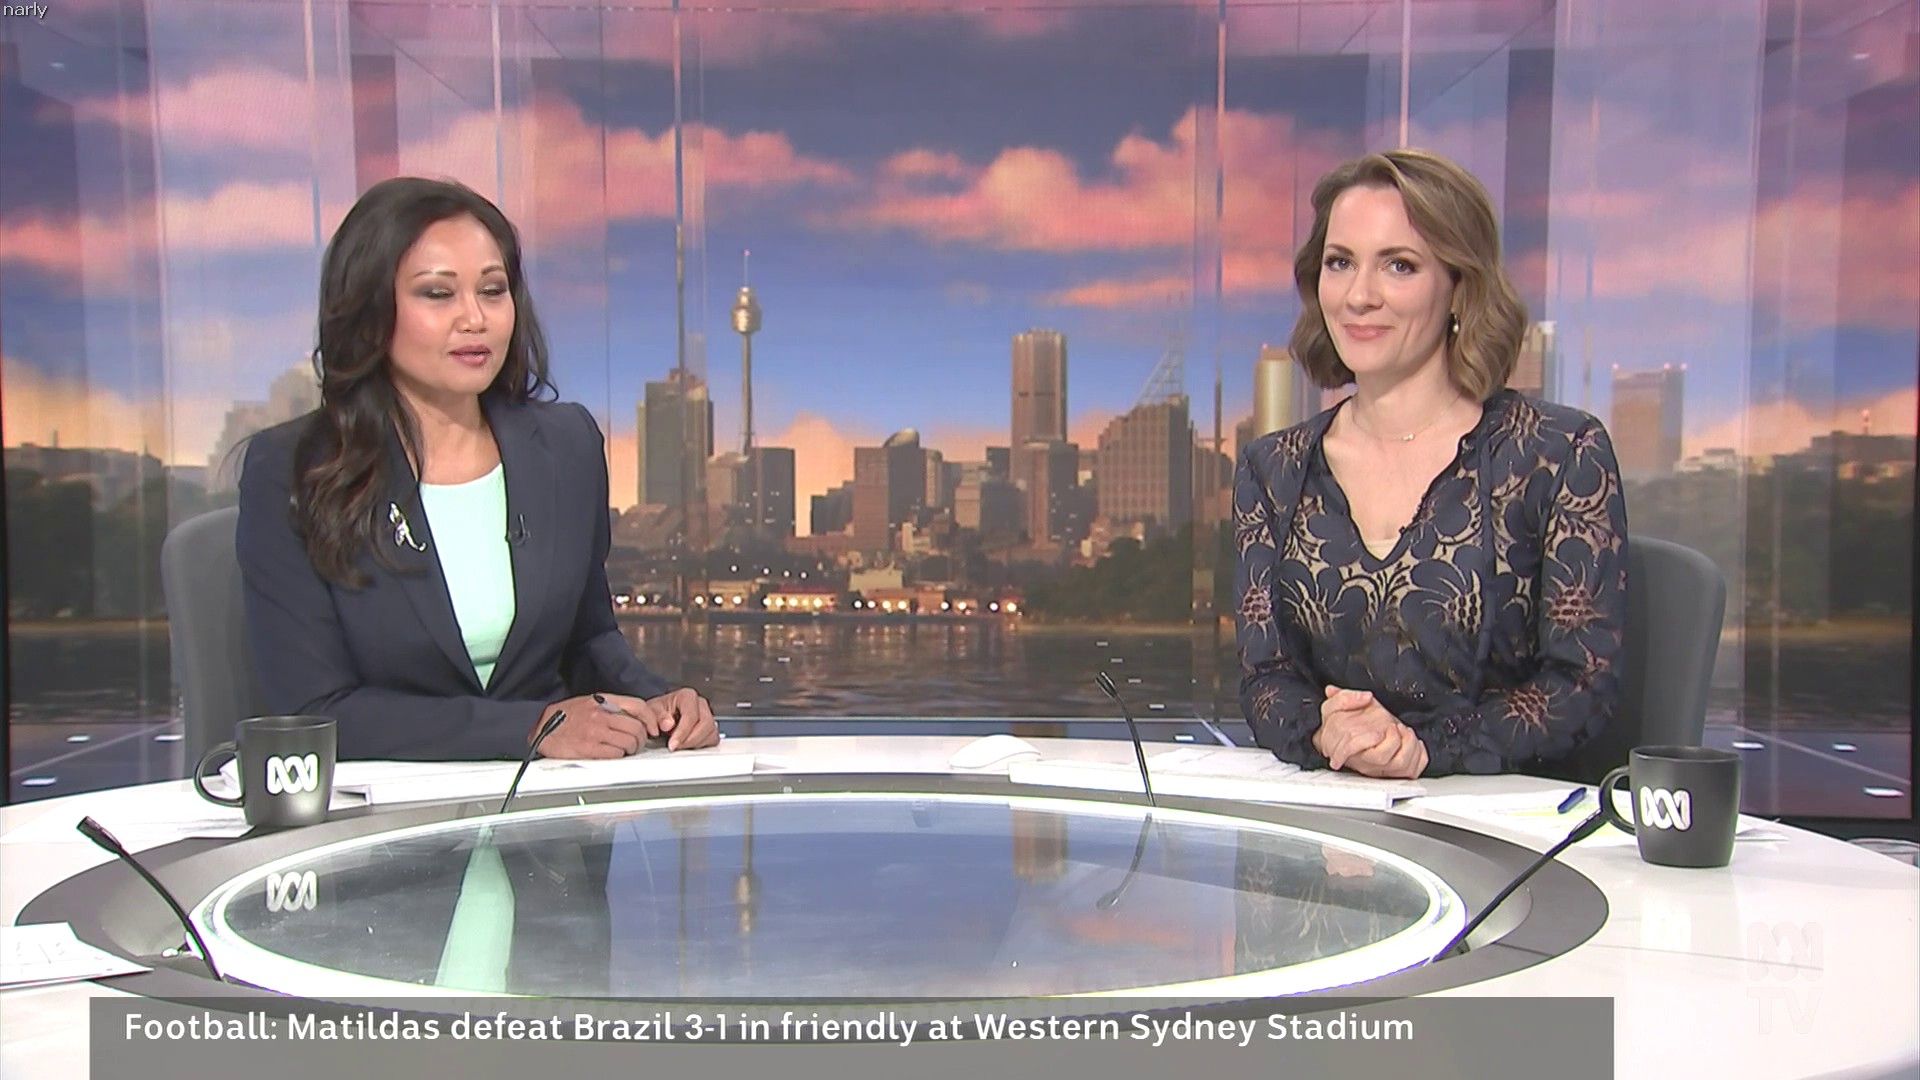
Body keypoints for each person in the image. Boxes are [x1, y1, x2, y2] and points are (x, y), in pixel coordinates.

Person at [238, 176, 718, 761]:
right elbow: (314, 709)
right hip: (386, 803)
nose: (475, 318)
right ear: (371, 309)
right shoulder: (295, 469)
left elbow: (587, 638)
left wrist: (656, 701)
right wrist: (528, 729)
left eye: (492, 290)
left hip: (550, 802)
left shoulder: (566, 447)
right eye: (438, 294)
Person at [1232, 149, 1627, 779]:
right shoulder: (1271, 469)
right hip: (1336, 811)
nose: (1359, 296)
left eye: (1400, 265)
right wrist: (1328, 730)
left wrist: (1421, 749)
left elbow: (1581, 684)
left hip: (1497, 817)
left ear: (1459, 287)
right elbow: (1267, 679)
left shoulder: (1557, 453)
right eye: (1340, 263)